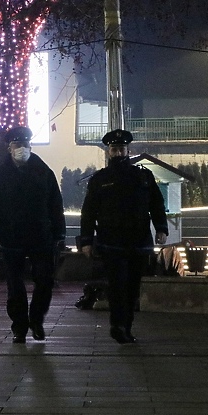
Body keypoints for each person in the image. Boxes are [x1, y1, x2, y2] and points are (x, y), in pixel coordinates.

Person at [78, 129, 168, 344]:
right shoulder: (100, 179)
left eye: (121, 149)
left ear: (128, 150)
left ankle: (126, 325)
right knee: (117, 286)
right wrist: (87, 241)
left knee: (133, 287)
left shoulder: (143, 176)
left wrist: (161, 228)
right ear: (108, 152)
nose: (118, 153)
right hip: (112, 243)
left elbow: (156, 204)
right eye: (114, 149)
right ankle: (118, 326)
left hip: (138, 242)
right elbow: (88, 212)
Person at [0, 126, 66, 344]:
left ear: (30, 145)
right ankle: (19, 327)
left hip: (41, 238)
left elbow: (55, 205)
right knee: (15, 286)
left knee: (45, 281)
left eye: (25, 144)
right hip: (11, 239)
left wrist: (59, 234)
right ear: (9, 148)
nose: (21, 148)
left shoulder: (43, 172)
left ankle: (36, 320)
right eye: (17, 145)